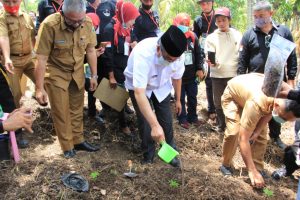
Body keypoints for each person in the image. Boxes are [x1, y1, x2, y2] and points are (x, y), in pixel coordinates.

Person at [34, 0, 99, 158]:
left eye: (80, 20)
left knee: (77, 108)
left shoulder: (88, 22)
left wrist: (93, 75)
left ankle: (78, 140)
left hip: (76, 71)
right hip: (56, 72)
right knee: (61, 111)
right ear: (63, 14)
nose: (77, 24)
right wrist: (39, 88)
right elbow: (41, 58)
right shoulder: (50, 25)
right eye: (72, 21)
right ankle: (67, 145)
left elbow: (91, 51)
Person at [219, 73, 300, 188]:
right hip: (233, 96)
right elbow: (243, 139)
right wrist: (251, 171)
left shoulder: (289, 95)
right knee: (234, 132)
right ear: (277, 105)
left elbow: (270, 110)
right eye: (284, 117)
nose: (283, 120)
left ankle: (258, 168)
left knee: (261, 135)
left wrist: (256, 131)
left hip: (253, 95)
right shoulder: (256, 103)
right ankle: (225, 164)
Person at [237, 1, 298, 149]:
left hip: (278, 82)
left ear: (271, 14)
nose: (258, 19)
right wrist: (240, 79)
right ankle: (252, 138)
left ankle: (275, 136)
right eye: (255, 16)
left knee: (276, 109)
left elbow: (292, 58)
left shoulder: (283, 32)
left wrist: (290, 79)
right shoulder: (249, 34)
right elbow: (242, 60)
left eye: (262, 16)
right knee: (258, 111)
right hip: (255, 83)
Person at [124, 25, 187, 167]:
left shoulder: (178, 57)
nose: (171, 61)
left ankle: (170, 152)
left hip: (161, 86)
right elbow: (139, 93)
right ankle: (148, 155)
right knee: (146, 121)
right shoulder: (143, 53)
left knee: (166, 119)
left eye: (173, 60)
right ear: (159, 48)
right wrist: (154, 125)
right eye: (168, 58)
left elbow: (177, 77)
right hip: (140, 86)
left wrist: (178, 100)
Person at [101, 0, 140, 136]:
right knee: (119, 98)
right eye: (132, 19)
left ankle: (124, 117)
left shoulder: (127, 28)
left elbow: (133, 38)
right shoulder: (109, 30)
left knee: (126, 95)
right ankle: (123, 126)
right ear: (124, 16)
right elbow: (107, 55)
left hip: (126, 67)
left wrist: (134, 42)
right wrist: (111, 76)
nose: (133, 23)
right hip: (115, 69)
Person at [204, 7, 242, 132]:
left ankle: (236, 126)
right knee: (218, 102)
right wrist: (210, 61)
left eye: (224, 20)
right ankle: (222, 125)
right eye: (218, 21)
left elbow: (241, 53)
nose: (221, 23)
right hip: (217, 75)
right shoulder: (211, 37)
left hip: (234, 74)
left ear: (229, 20)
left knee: (235, 101)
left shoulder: (237, 35)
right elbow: (209, 54)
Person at [172, 13, 205, 129]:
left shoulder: (193, 37)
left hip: (191, 75)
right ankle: (182, 118)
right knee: (179, 98)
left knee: (192, 97)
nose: (185, 26)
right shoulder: (173, 36)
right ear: (176, 23)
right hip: (178, 77)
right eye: (182, 24)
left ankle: (193, 117)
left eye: (187, 24)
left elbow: (198, 54)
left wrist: (200, 68)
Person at [193, 0, 217, 122]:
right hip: (205, 53)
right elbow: (195, 38)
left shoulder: (218, 16)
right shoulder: (198, 20)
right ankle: (211, 109)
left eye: (207, 3)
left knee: (219, 81)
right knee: (208, 82)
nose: (205, 6)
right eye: (202, 4)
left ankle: (221, 108)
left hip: (218, 52)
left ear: (212, 3)